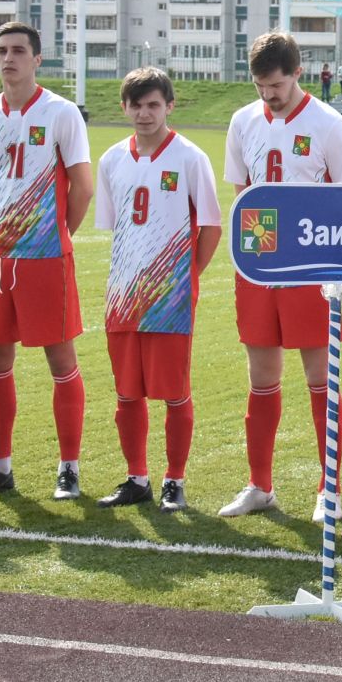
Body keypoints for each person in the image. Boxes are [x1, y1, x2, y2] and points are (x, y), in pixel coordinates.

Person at [219, 31, 342, 521]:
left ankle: (331, 489)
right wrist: (253, 256)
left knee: (320, 378)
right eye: (260, 86)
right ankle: (260, 486)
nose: (268, 95)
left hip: (313, 264)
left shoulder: (327, 123)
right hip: (259, 262)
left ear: (298, 73)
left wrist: (334, 266)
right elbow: (243, 195)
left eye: (276, 85)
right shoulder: (242, 121)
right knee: (261, 379)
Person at [0, 22, 94, 500]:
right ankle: (0, 467)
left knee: (60, 358)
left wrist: (55, 235)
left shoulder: (61, 113)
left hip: (46, 258)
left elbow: (83, 186)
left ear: (38, 59)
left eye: (18, 51)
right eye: (1, 51)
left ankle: (69, 468)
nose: (8, 58)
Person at [92, 67, 222, 512]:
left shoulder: (189, 157)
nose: (144, 113)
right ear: (124, 107)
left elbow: (210, 225)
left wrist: (187, 277)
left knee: (173, 391)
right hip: (123, 294)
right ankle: (137, 478)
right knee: (126, 392)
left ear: (170, 105)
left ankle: (175, 480)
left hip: (170, 297)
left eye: (153, 104)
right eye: (136, 105)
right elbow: (115, 228)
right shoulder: (111, 159)